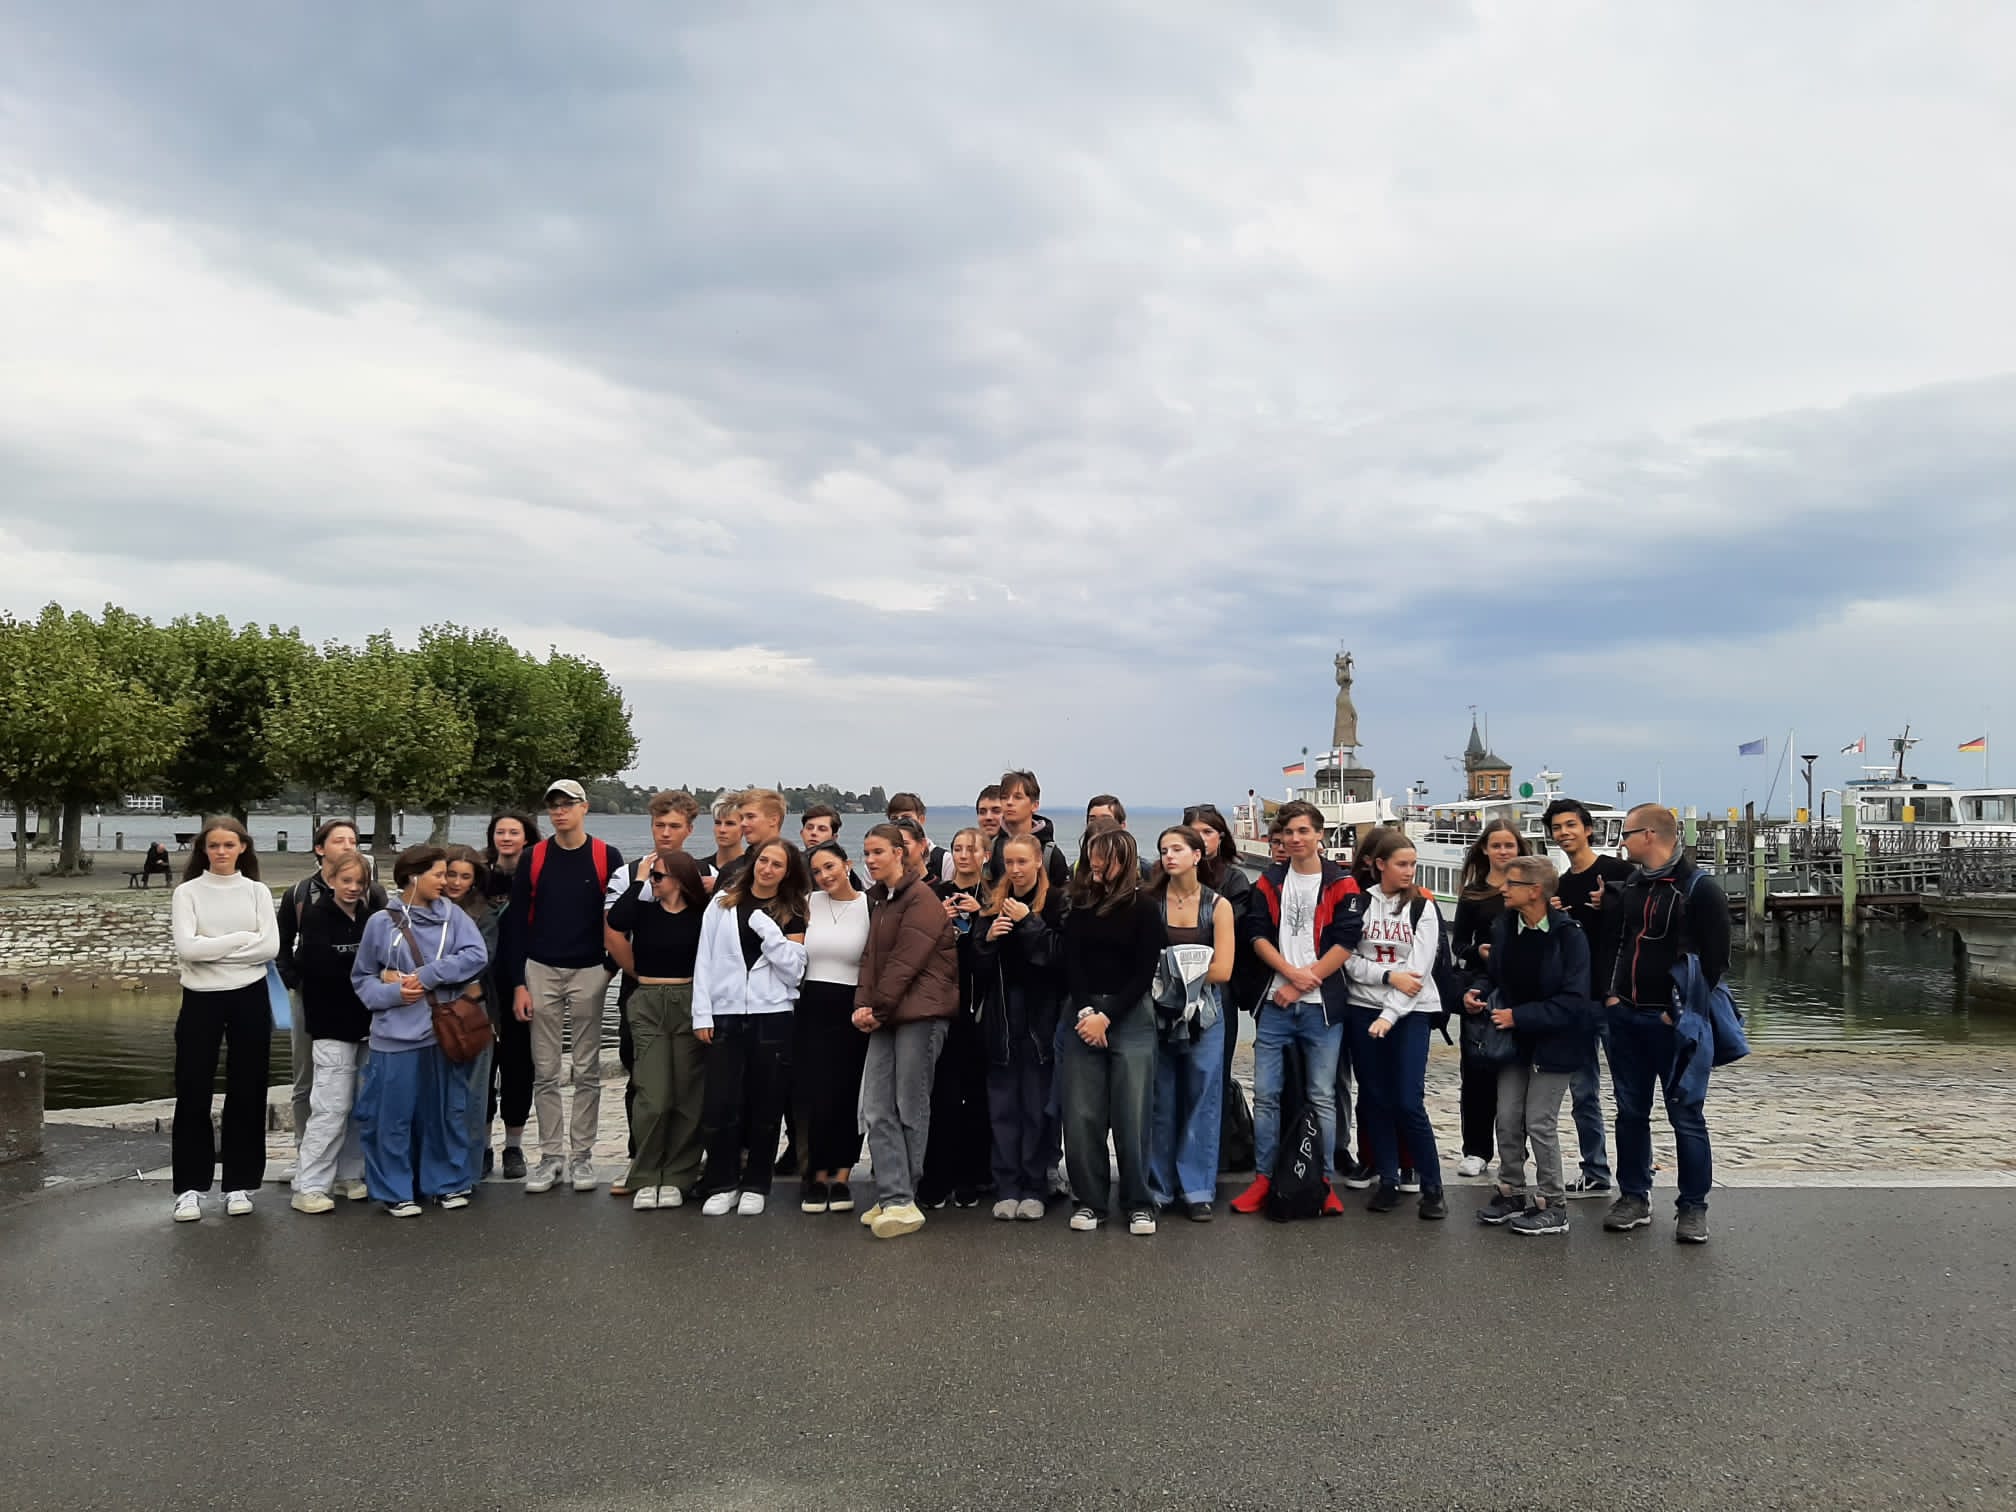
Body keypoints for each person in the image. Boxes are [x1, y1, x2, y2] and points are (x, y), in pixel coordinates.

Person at [1603, 803, 1731, 1245]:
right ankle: (1634, 1196)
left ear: (1650, 835)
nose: (1622, 842)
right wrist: (1612, 995)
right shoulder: (1634, 885)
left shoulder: (1700, 890)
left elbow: (1715, 963)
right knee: (1630, 1113)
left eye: (1627, 834)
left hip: (1673, 1024)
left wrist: (1676, 1013)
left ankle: (1693, 1207)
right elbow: (1620, 944)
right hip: (1626, 1016)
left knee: (1686, 1116)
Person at [1229, 802, 1360, 1218]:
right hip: (1275, 1004)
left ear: (1320, 834)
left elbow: (1346, 940)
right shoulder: (1269, 882)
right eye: (1288, 832)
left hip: (1321, 1009)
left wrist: (1307, 979)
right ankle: (1264, 1178)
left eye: (1303, 831)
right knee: (1267, 1095)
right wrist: (1289, 975)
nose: (1295, 839)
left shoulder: (1342, 883)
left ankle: (1322, 1181)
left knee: (1322, 1096)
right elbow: (1256, 935)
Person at [350, 845, 490, 1217]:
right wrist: (394, 993)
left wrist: (428, 975)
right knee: (391, 1117)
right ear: (414, 876)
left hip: (443, 1033)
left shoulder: (455, 917)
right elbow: (362, 977)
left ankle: (446, 1183)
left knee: (444, 1113)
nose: (446, 882)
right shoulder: (381, 922)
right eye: (438, 874)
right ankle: (396, 1190)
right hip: (394, 1037)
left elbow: (476, 956)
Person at [499, 780, 624, 1195]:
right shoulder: (534, 857)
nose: (559, 812)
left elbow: (617, 916)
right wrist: (519, 983)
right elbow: (517, 923)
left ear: (584, 808)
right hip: (541, 968)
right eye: (553, 805)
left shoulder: (606, 856)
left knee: (587, 1069)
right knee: (545, 1070)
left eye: (567, 804)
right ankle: (551, 1156)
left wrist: (609, 968)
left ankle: (582, 1155)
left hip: (589, 969)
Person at [1466, 855, 1596, 1237]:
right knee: (1507, 1117)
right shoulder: (1505, 926)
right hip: (1514, 1042)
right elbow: (1496, 976)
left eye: (1511, 883)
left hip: (1557, 1044)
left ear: (1535, 891)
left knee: (1539, 1121)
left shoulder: (1569, 936)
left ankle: (1553, 1204)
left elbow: (1574, 1000)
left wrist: (1518, 1016)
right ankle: (1511, 1191)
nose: (1503, 889)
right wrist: (1478, 992)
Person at [168, 818, 281, 1222]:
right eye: (214, 845)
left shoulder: (256, 891)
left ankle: (239, 1184)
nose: (221, 852)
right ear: (204, 849)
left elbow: (269, 947)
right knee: (193, 1088)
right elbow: (188, 949)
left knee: (248, 1088)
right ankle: (190, 1188)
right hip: (200, 997)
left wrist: (213, 949)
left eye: (228, 845)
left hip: (249, 995)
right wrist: (240, 940)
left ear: (242, 848)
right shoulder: (187, 893)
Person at [851, 822, 960, 1239]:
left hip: (921, 1015)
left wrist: (875, 1009)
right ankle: (891, 1194)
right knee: (876, 1106)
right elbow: (870, 960)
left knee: (909, 1106)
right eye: (867, 853)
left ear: (900, 853)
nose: (870, 859)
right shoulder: (882, 900)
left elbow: (905, 963)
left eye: (878, 851)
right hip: (887, 1015)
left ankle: (902, 1198)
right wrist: (862, 1006)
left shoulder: (921, 900)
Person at [692, 837, 808, 1216]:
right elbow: (704, 960)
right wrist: (702, 1014)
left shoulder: (792, 911)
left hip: (772, 1015)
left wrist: (769, 933)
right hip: (725, 1014)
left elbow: (794, 972)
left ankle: (757, 1183)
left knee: (766, 1103)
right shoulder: (722, 903)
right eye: (763, 861)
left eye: (777, 864)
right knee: (721, 1104)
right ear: (753, 862)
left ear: (787, 872)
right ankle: (722, 1182)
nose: (767, 868)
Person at [1058, 826, 1164, 1234]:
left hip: (1131, 1014)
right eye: (1093, 857)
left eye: (1105, 858)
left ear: (1124, 860)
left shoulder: (1145, 907)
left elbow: (1144, 971)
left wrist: (1108, 1016)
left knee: (1132, 1114)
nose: (1097, 865)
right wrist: (1088, 1010)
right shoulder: (1080, 904)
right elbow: (1072, 964)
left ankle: (1139, 1202)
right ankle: (1090, 1201)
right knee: (1081, 1114)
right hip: (1083, 1012)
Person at [1343, 829, 1449, 1219]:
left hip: (1410, 1013)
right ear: (1379, 865)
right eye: (1402, 864)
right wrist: (1387, 976)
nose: (1409, 871)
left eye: (1413, 864)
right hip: (1363, 1007)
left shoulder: (1422, 907)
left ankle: (1432, 1187)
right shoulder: (1359, 904)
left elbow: (1418, 971)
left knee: (1407, 1100)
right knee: (1375, 1097)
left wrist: (1389, 1015)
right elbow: (1348, 959)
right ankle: (1387, 1179)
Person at [604, 790, 703, 1191]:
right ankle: (642, 1166)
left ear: (689, 830)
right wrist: (643, 972)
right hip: (643, 991)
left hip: (689, 996)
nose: (665, 833)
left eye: (674, 826)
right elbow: (615, 928)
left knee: (689, 1089)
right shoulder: (631, 878)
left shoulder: (700, 883)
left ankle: (680, 1170)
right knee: (647, 1087)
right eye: (659, 825)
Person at [972, 832, 1067, 1221]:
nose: (1015, 870)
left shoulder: (1057, 901)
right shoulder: (992, 903)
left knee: (1037, 1105)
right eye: (1009, 863)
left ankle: (1034, 1186)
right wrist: (988, 940)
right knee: (1003, 1105)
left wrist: (1028, 922)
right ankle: (1007, 1185)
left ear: (1038, 862)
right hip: (1002, 1016)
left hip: (1041, 1018)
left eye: (1022, 862)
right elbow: (975, 968)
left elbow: (1060, 957)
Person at [275, 819, 385, 1144]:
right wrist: (295, 980)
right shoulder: (299, 894)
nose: (348, 846)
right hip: (312, 995)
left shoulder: (372, 893)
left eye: (353, 841)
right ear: (320, 849)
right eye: (340, 840)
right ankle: (303, 1147)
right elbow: (281, 944)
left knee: (358, 1077)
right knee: (306, 1077)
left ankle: (351, 1155)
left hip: (360, 998)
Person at [1146, 826, 1235, 1220]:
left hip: (1205, 1014)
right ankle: (1158, 1187)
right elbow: (1140, 960)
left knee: (1203, 1098)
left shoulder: (1218, 906)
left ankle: (1197, 1188)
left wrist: (1171, 972)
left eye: (1177, 849)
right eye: (1164, 850)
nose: (1169, 856)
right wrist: (1184, 971)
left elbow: (1224, 969)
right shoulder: (1150, 903)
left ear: (1197, 855)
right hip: (1158, 1012)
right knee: (1160, 1099)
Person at [290, 850, 382, 1213]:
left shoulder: (370, 918)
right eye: (346, 881)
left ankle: (349, 1174)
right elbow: (319, 968)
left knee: (360, 1105)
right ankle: (309, 1184)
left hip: (367, 1022)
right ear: (331, 881)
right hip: (330, 1024)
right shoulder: (316, 917)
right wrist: (368, 975)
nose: (353, 888)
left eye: (360, 882)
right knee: (330, 1106)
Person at [1546, 797, 1629, 1198]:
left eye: (1570, 825)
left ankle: (1635, 1180)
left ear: (1588, 829)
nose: (1564, 833)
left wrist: (1612, 902)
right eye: (1557, 828)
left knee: (1629, 1094)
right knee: (1583, 1094)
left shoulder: (1617, 873)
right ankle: (1595, 1171)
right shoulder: (1560, 885)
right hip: (1578, 1003)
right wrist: (1553, 916)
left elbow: (1643, 920)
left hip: (1615, 999)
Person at [1184, 802, 1263, 1177]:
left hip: (1218, 988)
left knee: (1214, 1075)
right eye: (1194, 832)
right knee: (1176, 1075)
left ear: (1220, 837)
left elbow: (1224, 933)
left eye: (1208, 832)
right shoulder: (1168, 878)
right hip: (1175, 989)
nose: (1201, 839)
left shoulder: (1234, 881)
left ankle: (1212, 1160)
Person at [795, 841, 871, 1214]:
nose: (824, 876)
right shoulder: (807, 903)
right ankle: (817, 1173)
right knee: (815, 1093)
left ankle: (842, 1175)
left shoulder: (869, 905)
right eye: (817, 871)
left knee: (848, 1093)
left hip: (852, 1007)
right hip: (812, 1005)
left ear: (847, 864)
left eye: (830, 867)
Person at [919, 826, 993, 1209]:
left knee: (975, 1095)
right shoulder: (937, 894)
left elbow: (994, 954)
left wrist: (981, 917)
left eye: (971, 849)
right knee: (942, 1095)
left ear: (985, 855)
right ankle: (937, 1176)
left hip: (978, 1008)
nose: (964, 855)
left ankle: (973, 1175)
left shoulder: (992, 897)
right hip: (942, 1005)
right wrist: (939, 921)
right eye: (958, 849)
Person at [1451, 818, 1529, 1178]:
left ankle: (1516, 1149)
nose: (1502, 851)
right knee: (1476, 1074)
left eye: (1508, 845)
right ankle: (1476, 1149)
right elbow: (1458, 944)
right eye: (1496, 845)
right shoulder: (1473, 895)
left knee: (1517, 1074)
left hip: (1519, 991)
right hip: (1481, 988)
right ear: (1484, 849)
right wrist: (1478, 951)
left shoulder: (1528, 890)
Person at [482, 811, 538, 1179]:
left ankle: (514, 1146)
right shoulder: (478, 877)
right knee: (483, 1067)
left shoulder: (535, 877)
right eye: (500, 831)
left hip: (524, 980)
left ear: (526, 837)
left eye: (513, 832)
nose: (506, 838)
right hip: (482, 983)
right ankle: (483, 1145)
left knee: (519, 1066)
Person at [442, 845, 501, 1190]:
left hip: (471, 1010)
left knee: (474, 1093)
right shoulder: (425, 908)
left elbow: (481, 960)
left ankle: (470, 1166)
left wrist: (434, 974)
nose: (456, 882)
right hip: (430, 1010)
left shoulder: (485, 914)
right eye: (451, 874)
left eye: (465, 876)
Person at [987, 769, 1070, 890]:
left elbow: (1063, 897)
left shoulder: (1049, 853)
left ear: (1034, 805)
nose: (1009, 802)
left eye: (1018, 797)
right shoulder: (994, 846)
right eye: (1004, 797)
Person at [886, 793, 951, 882]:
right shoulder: (881, 857)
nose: (900, 821)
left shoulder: (944, 859)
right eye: (894, 818)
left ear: (921, 819)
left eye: (906, 817)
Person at [700, 793, 746, 889]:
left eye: (730, 824)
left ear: (744, 827)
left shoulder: (752, 867)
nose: (722, 830)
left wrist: (719, 886)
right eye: (718, 823)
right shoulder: (701, 867)